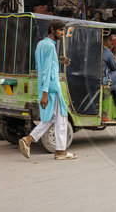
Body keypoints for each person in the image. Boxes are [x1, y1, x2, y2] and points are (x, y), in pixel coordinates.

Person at [18, 20, 77, 160]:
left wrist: (57, 59)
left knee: (50, 118)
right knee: (62, 117)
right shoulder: (50, 47)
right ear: (52, 29)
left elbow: (42, 65)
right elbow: (45, 70)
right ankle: (60, 152)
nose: (63, 33)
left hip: (45, 86)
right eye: (61, 30)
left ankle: (29, 140)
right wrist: (45, 93)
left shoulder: (41, 44)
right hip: (51, 87)